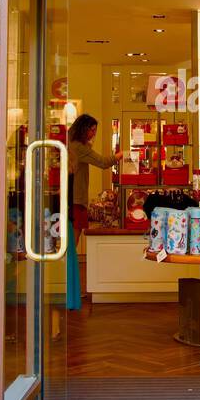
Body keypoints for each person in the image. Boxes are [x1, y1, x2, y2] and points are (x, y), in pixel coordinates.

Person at [64, 114, 117, 312]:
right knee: (71, 245)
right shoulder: (80, 148)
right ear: (84, 129)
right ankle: (71, 288)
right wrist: (119, 156)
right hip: (76, 201)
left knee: (70, 244)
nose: (93, 134)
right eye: (92, 130)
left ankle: (70, 287)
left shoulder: (71, 145)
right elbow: (103, 162)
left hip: (73, 200)